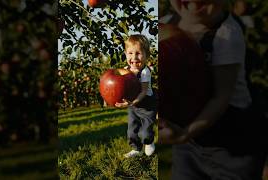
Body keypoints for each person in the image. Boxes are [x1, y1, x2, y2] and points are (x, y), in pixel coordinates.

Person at [159, 0, 268, 179]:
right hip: (191, 141)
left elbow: (221, 97)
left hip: (234, 140)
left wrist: (183, 135)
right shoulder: (168, 22)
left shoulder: (226, 34)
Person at [115, 34, 157, 158]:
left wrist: (132, 102)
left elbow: (143, 92)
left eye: (138, 53)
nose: (134, 57)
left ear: (146, 55)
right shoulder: (125, 70)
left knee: (145, 131)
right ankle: (136, 149)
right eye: (130, 53)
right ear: (126, 54)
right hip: (132, 105)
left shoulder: (145, 72)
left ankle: (148, 142)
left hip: (146, 104)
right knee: (131, 130)